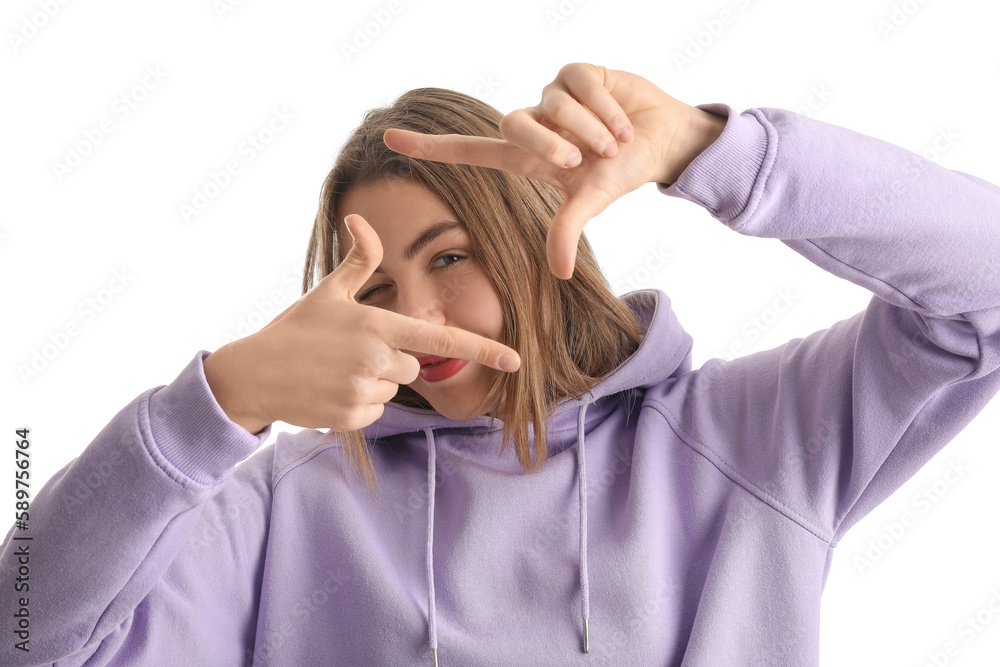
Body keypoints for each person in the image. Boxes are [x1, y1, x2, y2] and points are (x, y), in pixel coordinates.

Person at [2, 62, 999, 666]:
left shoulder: (742, 438)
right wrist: (216, 401)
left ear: (532, 241)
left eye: (448, 256)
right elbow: (24, 635)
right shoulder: (283, 507)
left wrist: (708, 151)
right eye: (378, 286)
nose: (418, 316)